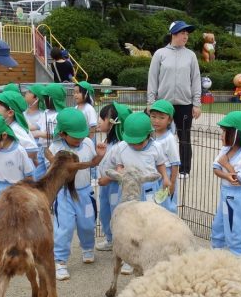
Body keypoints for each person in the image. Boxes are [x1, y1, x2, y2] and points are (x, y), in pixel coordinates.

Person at [50, 108, 106, 281]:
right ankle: (60, 261)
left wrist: (100, 156)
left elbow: (92, 164)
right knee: (64, 227)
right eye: (76, 136)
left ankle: (88, 248)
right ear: (62, 133)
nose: (80, 138)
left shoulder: (88, 143)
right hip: (64, 194)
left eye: (82, 134)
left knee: (88, 223)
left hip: (85, 192)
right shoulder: (56, 148)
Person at [147, 20, 202, 177]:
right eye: (182, 33)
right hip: (163, 104)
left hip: (185, 104)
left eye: (187, 33)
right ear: (173, 34)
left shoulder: (191, 56)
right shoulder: (160, 54)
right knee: (158, 135)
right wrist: (151, 102)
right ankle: (158, 165)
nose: (185, 36)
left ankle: (184, 169)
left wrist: (196, 103)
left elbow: (196, 80)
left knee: (184, 136)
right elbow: (152, 79)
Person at [211, 111, 241, 257]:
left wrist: (227, 165)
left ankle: (238, 257)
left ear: (237, 134)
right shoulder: (225, 149)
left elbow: (239, 181)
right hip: (226, 193)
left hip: (238, 196)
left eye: (226, 132)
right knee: (218, 225)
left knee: (234, 228)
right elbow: (216, 169)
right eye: (223, 131)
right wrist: (226, 174)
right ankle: (216, 254)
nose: (222, 135)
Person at [95, 102, 133, 252]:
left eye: (102, 118)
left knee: (118, 214)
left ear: (113, 123)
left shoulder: (122, 145)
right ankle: (110, 239)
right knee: (105, 213)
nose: (98, 120)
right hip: (105, 187)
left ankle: (124, 245)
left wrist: (107, 178)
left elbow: (123, 169)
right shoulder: (107, 142)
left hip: (115, 187)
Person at [113, 112, 169, 202]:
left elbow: (160, 164)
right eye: (131, 142)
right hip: (129, 187)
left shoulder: (155, 147)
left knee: (149, 213)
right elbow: (119, 165)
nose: (135, 145)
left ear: (148, 135)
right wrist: (120, 171)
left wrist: (165, 178)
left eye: (139, 142)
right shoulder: (122, 147)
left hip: (149, 187)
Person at [148, 100, 181, 213]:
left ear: (169, 120)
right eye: (153, 116)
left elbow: (175, 163)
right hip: (153, 173)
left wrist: (172, 183)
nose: (156, 121)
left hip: (165, 176)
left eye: (161, 118)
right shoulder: (150, 134)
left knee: (166, 205)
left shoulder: (169, 138)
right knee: (153, 203)